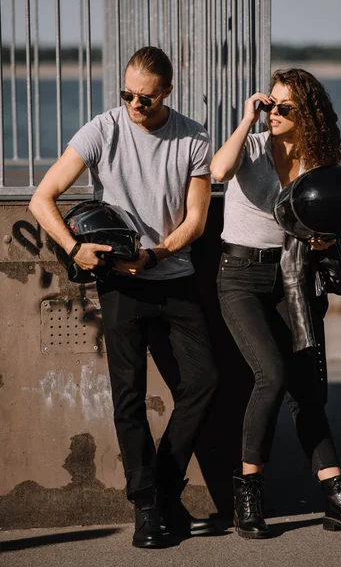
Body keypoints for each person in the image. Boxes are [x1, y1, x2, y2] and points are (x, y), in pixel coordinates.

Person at [29, 46, 219, 548]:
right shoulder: (102, 128)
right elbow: (40, 198)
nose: (135, 105)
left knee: (205, 382)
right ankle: (147, 506)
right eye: (128, 95)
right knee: (128, 395)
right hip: (119, 283)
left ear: (167, 94)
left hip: (173, 275)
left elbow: (196, 221)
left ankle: (164, 482)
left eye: (147, 99)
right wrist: (75, 248)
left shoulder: (194, 136)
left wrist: (157, 255)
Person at [210, 68, 341, 539]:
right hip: (240, 276)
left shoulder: (319, 162)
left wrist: (326, 242)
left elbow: (335, 212)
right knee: (273, 374)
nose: (275, 114)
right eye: (272, 106)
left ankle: (338, 501)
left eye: (286, 108)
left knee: (307, 390)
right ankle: (248, 495)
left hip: (293, 278)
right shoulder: (255, 145)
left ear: (308, 115)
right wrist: (247, 119)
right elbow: (219, 172)